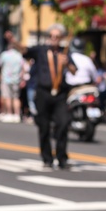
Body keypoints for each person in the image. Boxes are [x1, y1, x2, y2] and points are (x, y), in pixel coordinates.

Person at [29, 24, 74, 169]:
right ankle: (47, 158)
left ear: (60, 39)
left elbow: (74, 71)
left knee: (63, 123)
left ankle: (62, 157)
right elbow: (24, 51)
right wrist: (13, 41)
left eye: (57, 37)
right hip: (43, 92)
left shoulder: (64, 52)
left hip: (60, 94)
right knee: (44, 127)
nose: (54, 39)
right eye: (52, 36)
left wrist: (66, 63)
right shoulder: (41, 50)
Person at [0, 41, 24, 122]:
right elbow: (23, 67)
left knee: (8, 97)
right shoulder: (19, 56)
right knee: (16, 97)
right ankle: (17, 114)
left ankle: (9, 113)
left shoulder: (5, 55)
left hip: (6, 79)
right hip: (16, 79)